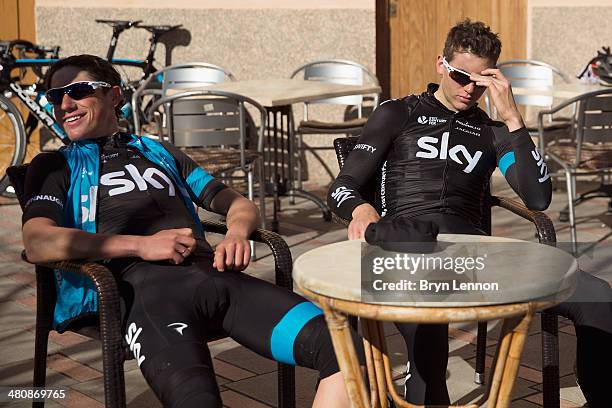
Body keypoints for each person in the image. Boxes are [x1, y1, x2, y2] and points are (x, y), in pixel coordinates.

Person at [21, 54, 362, 408]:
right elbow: (37, 242)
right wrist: (142, 246)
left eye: (78, 90)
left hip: (216, 278)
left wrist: (236, 234)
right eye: (54, 95)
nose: (64, 104)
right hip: (143, 295)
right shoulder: (54, 165)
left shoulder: (158, 151)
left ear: (114, 96)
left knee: (346, 348)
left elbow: (240, 205)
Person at [328, 19, 612, 407]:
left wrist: (513, 118)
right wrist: (361, 209)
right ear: (441, 65)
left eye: (482, 81)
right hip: (407, 249)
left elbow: (538, 196)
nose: (470, 89)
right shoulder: (397, 113)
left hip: (473, 254)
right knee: (429, 346)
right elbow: (341, 187)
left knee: (597, 295)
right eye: (462, 76)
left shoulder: (493, 133)